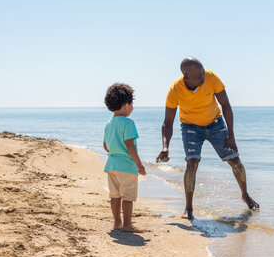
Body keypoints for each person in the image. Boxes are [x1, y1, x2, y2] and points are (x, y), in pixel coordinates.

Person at [156, 57, 259, 220]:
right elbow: (167, 122)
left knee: (235, 161)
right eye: (200, 75)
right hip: (190, 127)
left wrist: (231, 135)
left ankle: (245, 195)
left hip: (215, 124)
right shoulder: (175, 89)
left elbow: (225, 105)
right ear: (187, 76)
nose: (204, 77)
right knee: (192, 163)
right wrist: (165, 146)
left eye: (204, 73)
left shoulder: (211, 78)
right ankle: (188, 208)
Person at [103, 83, 146, 232]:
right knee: (128, 197)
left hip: (111, 165)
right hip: (126, 166)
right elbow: (130, 145)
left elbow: (105, 145)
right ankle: (128, 224)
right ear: (126, 104)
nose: (132, 107)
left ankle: (117, 222)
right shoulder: (128, 123)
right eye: (132, 103)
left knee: (115, 196)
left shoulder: (109, 124)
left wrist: (114, 151)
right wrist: (139, 164)